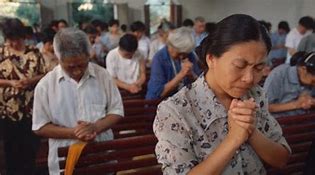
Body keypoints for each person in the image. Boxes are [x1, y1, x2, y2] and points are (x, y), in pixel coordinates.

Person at [154, 14, 291, 175]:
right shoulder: (175, 111)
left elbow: (282, 159)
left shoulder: (255, 96)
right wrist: (234, 139)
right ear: (211, 58)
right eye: (240, 65)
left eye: (259, 68)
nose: (249, 79)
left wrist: (251, 131)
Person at [32, 28, 124, 175]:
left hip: (102, 156)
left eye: (82, 65)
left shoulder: (103, 75)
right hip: (64, 160)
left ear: (89, 55)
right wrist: (74, 133)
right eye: (70, 67)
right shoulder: (46, 85)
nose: (77, 71)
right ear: (58, 58)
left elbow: (117, 111)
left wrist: (95, 127)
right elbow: (40, 126)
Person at [0, 18, 46, 175]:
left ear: (23, 36)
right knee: (12, 153)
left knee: (31, 151)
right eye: (9, 40)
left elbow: (44, 75)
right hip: (8, 111)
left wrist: (30, 81)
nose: (13, 44)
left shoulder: (34, 52)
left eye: (16, 39)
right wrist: (10, 83)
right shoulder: (1, 53)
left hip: (32, 110)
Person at [146, 27, 202, 100]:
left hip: (185, 102)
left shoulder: (189, 55)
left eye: (184, 54)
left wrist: (191, 75)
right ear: (171, 45)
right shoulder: (159, 58)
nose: (182, 56)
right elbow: (157, 94)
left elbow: (200, 86)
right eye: (179, 53)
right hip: (162, 103)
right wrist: (181, 74)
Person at [264, 52, 315, 117]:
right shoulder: (279, 74)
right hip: (281, 122)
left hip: (307, 120)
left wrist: (311, 101)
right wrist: (297, 104)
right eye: (313, 81)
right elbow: (264, 107)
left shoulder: (307, 78)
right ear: (303, 69)